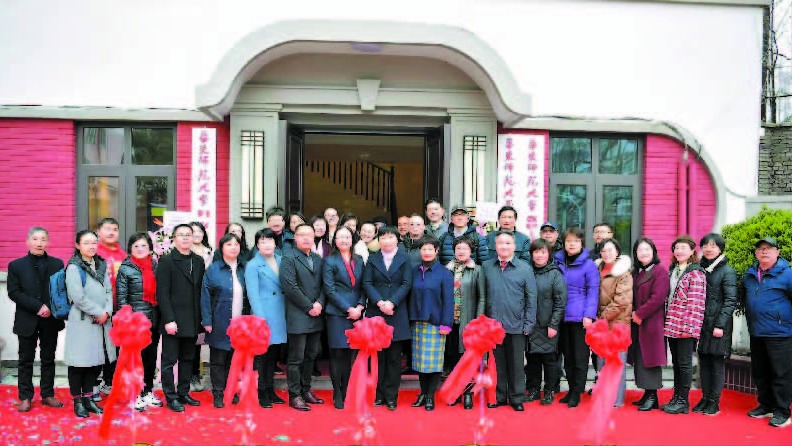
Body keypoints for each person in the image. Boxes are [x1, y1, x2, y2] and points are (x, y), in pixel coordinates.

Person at [7, 227, 66, 412]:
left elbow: (61, 290)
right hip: (27, 318)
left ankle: (47, 394)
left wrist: (49, 306)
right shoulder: (16, 265)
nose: (39, 243)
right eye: (35, 239)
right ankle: (25, 397)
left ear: (47, 242)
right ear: (28, 241)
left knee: (48, 358)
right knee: (25, 360)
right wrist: (38, 307)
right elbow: (14, 292)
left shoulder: (57, 264)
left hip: (50, 318)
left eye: (43, 239)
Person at [482, 231, 538, 411]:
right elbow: (482, 296)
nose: (504, 246)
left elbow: (531, 298)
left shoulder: (524, 268)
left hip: (517, 325)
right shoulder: (487, 267)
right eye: (500, 243)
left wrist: (529, 323)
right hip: (493, 326)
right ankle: (499, 396)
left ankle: (516, 397)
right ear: (495, 246)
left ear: (514, 246)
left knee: (516, 365)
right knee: (497, 364)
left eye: (508, 243)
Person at [64, 230, 116, 418]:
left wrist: (107, 312)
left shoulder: (101, 264)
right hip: (83, 321)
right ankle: (78, 401)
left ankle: (89, 399)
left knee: (94, 363)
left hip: (102, 322)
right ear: (78, 245)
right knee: (79, 363)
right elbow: (78, 297)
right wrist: (98, 312)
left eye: (94, 242)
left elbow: (109, 291)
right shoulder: (73, 267)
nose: (91, 246)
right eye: (86, 243)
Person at [157, 223, 206, 412]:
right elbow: (162, 293)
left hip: (192, 319)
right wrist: (168, 319)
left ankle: (184, 393)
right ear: (174, 238)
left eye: (188, 234)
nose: (185, 238)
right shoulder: (166, 261)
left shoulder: (198, 261)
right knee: (169, 361)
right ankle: (171, 397)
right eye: (181, 234)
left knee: (188, 359)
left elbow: (200, 290)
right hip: (173, 320)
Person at [744, 237, 792, 428]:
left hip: (780, 333)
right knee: (760, 372)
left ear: (777, 252)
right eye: (760, 249)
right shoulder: (749, 275)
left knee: (781, 374)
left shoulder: (787, 274)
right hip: (757, 331)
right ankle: (765, 405)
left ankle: (782, 411)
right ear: (756, 253)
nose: (764, 251)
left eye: (769, 248)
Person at [363, 226, 413, 410]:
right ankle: (378, 395)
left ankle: (391, 396)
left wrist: (392, 303)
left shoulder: (405, 259)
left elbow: (406, 284)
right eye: (383, 237)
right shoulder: (372, 258)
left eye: (390, 237)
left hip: (396, 312)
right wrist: (379, 302)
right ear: (379, 240)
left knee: (393, 358)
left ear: (397, 239)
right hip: (376, 312)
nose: (387, 241)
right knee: (378, 358)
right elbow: (367, 283)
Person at [280, 224, 326, 411]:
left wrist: (320, 303)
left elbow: (324, 284)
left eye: (309, 235)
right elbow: (290, 287)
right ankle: (295, 395)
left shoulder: (317, 258)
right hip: (298, 314)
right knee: (296, 358)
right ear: (295, 238)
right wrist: (309, 306)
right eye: (302, 235)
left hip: (316, 314)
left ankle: (306, 390)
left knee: (311, 356)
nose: (306, 238)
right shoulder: (288, 258)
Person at [116, 232, 163, 411]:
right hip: (135, 322)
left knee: (150, 358)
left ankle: (147, 391)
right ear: (130, 249)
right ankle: (134, 393)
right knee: (135, 359)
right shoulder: (125, 268)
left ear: (150, 248)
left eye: (144, 245)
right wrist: (127, 320)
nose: (140, 249)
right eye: (136, 246)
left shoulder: (156, 265)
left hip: (154, 319)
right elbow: (121, 298)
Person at [693, 233, 737, 416]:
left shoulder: (727, 271)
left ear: (720, 248)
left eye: (713, 245)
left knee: (716, 363)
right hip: (702, 324)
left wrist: (720, 325)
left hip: (718, 326)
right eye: (705, 245)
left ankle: (714, 402)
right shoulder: (700, 268)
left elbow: (730, 300)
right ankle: (705, 398)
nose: (708, 249)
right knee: (704, 362)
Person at [555, 226, 600, 408]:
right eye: (568, 241)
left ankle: (577, 392)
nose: (572, 244)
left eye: (575, 241)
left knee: (580, 357)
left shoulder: (588, 265)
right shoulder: (558, 261)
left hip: (580, 317)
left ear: (581, 243)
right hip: (562, 316)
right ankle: (571, 388)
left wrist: (589, 314)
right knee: (567, 357)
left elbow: (593, 291)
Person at [408, 236, 454, 411]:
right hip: (417, 322)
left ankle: (430, 395)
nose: (426, 252)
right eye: (424, 249)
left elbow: (449, 301)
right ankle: (422, 392)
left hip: (435, 323)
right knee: (420, 362)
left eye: (430, 249)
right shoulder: (414, 271)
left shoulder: (444, 273)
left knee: (433, 363)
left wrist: (446, 324)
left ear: (436, 251)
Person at [662, 235, 706, 415]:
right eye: (676, 248)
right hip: (672, 325)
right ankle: (676, 397)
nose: (679, 251)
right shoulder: (674, 270)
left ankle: (683, 401)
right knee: (677, 364)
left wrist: (689, 329)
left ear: (692, 251)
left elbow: (696, 304)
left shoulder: (696, 273)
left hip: (685, 327)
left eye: (683, 248)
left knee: (685, 364)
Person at [201, 233, 247, 408]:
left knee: (234, 360)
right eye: (229, 244)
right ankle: (218, 393)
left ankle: (231, 390)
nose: (233, 247)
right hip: (219, 320)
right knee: (218, 360)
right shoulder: (213, 270)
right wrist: (207, 321)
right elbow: (205, 296)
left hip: (240, 323)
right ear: (221, 248)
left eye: (236, 244)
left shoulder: (244, 268)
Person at [322, 226, 365, 409]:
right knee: (337, 353)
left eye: (347, 237)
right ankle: (337, 392)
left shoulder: (359, 260)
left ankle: (346, 389)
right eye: (340, 237)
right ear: (335, 240)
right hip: (337, 313)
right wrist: (348, 308)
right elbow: (329, 289)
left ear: (352, 239)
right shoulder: (329, 261)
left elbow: (364, 285)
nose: (344, 240)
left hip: (357, 312)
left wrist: (360, 306)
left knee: (349, 353)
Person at [245, 229, 287, 408]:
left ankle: (270, 389)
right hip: (264, 315)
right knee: (262, 356)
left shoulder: (281, 260)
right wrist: (261, 319)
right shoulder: (253, 265)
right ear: (257, 245)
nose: (267, 244)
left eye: (270, 240)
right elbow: (253, 294)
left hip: (280, 313)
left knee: (273, 355)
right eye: (262, 241)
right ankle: (261, 391)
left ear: (275, 243)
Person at [444, 237, 486, 409]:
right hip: (449, 322)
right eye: (458, 248)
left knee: (468, 360)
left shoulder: (477, 270)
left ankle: (468, 393)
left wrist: (477, 321)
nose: (461, 251)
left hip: (468, 321)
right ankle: (454, 392)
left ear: (471, 251)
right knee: (453, 359)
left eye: (465, 248)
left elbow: (482, 298)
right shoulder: (447, 269)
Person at [629, 237, 669, 412]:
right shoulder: (636, 272)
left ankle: (653, 396)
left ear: (653, 252)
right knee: (641, 358)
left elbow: (658, 298)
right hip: (637, 324)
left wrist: (639, 314)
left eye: (647, 249)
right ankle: (647, 394)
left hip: (652, 323)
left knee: (651, 359)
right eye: (640, 250)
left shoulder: (660, 272)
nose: (643, 253)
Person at [525, 239, 567, 406]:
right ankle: (533, 389)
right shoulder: (527, 271)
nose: (539, 255)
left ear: (548, 254)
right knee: (532, 360)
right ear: (531, 254)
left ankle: (549, 390)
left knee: (550, 361)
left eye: (543, 252)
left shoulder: (555, 274)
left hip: (548, 325)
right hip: (531, 324)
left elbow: (560, 302)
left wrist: (553, 324)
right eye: (536, 252)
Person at [594, 238, 633, 408]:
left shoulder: (623, 272)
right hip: (601, 324)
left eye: (610, 250)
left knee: (616, 363)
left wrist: (601, 318)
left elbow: (621, 301)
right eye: (603, 250)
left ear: (617, 252)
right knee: (602, 362)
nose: (606, 253)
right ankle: (603, 396)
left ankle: (616, 399)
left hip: (618, 324)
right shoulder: (597, 269)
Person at [95, 217, 125, 397]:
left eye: (115, 229)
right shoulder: (93, 252)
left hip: (118, 309)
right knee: (96, 347)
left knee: (114, 347)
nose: (111, 232)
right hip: (98, 310)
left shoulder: (123, 255)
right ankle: (92, 385)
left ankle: (109, 381)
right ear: (99, 232)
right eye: (107, 229)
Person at [189, 221, 212, 392]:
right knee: (188, 338)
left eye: (199, 231)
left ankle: (196, 373)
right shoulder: (183, 251)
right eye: (193, 231)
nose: (197, 234)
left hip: (203, 297)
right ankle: (187, 374)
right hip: (187, 298)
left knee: (198, 338)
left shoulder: (209, 252)